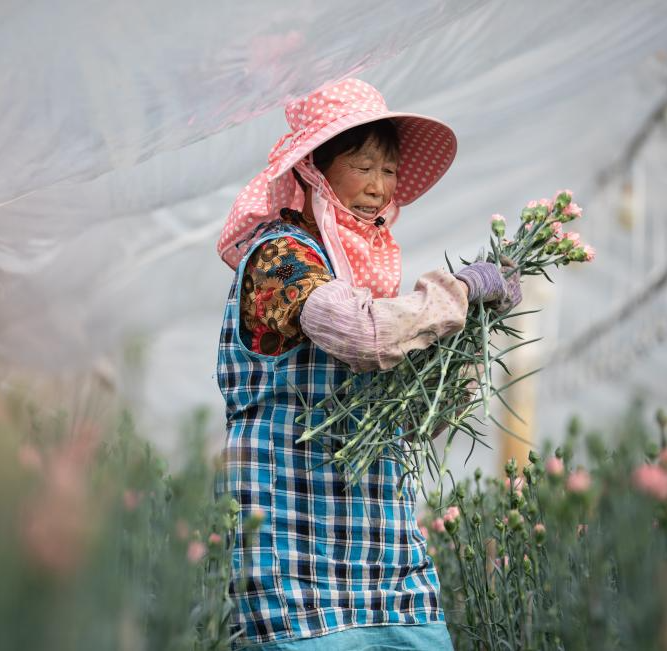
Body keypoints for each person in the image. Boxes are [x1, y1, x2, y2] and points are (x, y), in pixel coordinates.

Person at [214, 78, 521, 650]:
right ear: (314, 170)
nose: (380, 188)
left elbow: (421, 422)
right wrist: (456, 293)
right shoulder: (279, 257)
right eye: (363, 167)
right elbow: (359, 335)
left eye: (389, 171)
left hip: (379, 542)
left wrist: (470, 339)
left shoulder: (368, 288)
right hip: (290, 534)